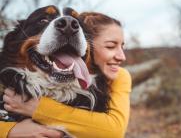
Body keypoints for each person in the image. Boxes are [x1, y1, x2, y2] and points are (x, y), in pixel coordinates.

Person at [1, 12, 132, 138]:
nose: (122, 57)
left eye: (122, 46)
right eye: (110, 46)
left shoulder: (119, 76)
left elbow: (114, 130)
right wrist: (10, 130)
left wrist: (38, 108)